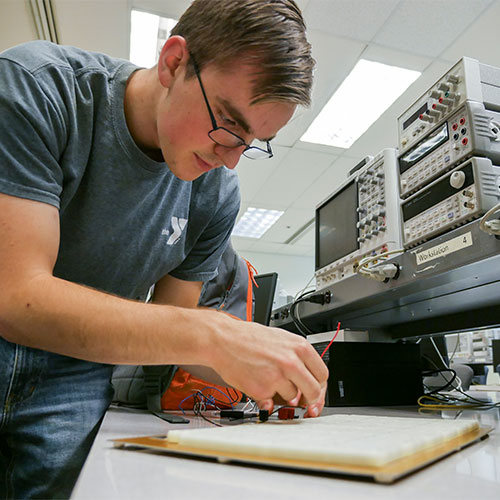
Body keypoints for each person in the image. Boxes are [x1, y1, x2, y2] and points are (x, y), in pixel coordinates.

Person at [0, 0, 328, 497]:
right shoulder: (38, 87)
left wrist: (261, 362)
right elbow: (15, 296)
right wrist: (212, 333)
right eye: (228, 123)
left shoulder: (215, 194)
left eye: (254, 141)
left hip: (77, 372)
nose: (231, 160)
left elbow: (171, 332)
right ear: (174, 61)